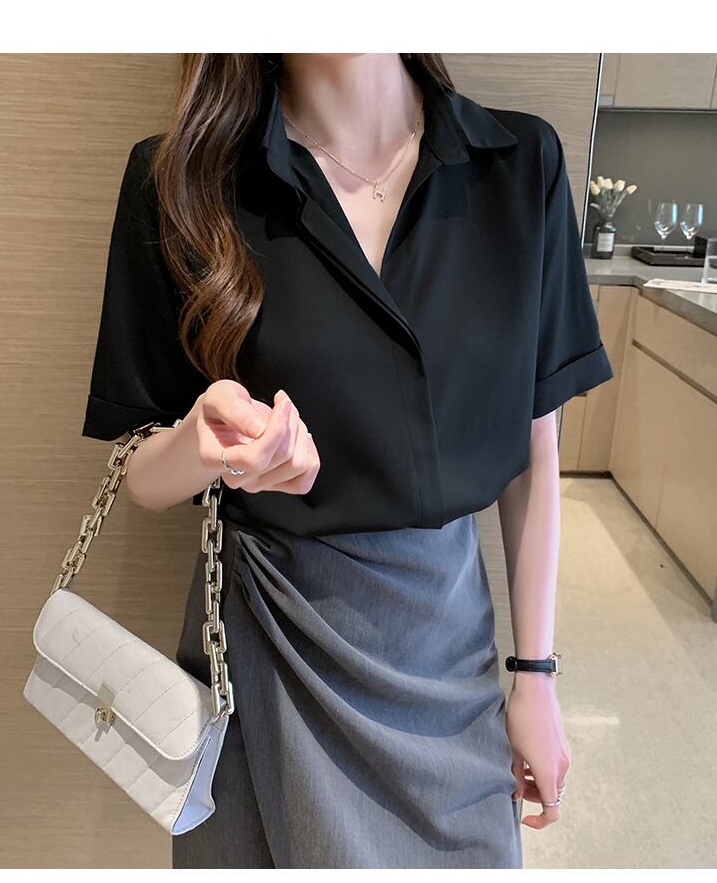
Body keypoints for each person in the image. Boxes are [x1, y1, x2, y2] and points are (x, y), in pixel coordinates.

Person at [80, 53, 613, 869]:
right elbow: (139, 471)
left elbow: (533, 448)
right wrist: (204, 444)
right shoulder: (182, 178)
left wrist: (535, 673)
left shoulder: (520, 165)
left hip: (448, 650)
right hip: (270, 648)